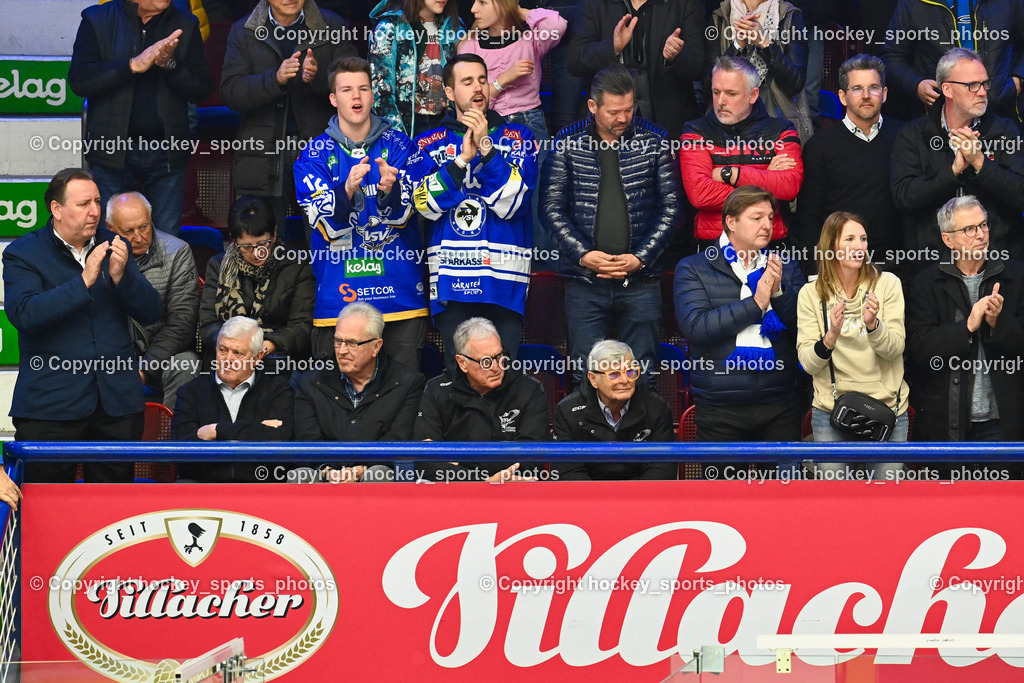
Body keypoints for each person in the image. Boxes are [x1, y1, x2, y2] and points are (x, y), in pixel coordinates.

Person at [3, 169, 163, 482]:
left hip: (116, 406)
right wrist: (85, 280)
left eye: (97, 202)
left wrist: (121, 277)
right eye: (83, 203)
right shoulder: (23, 253)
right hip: (51, 407)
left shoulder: (115, 244)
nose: (94, 211)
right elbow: (25, 314)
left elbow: (151, 311)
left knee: (112, 513)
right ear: (57, 209)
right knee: (45, 509)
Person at [541, 65, 681, 386]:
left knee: (643, 375)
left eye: (629, 109)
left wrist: (641, 257)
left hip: (641, 280)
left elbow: (673, 209)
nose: (623, 118)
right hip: (584, 281)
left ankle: (643, 436)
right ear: (593, 106)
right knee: (584, 374)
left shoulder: (656, 140)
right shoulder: (566, 142)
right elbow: (550, 210)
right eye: (614, 111)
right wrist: (583, 255)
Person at [294, 56, 428, 369]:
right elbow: (324, 222)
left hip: (401, 297)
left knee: (403, 395)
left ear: (372, 94)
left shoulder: (401, 146)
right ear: (333, 98)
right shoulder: (313, 154)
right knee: (341, 405)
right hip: (339, 302)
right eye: (347, 90)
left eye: (363, 89)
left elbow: (423, 205)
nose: (356, 96)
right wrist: (345, 192)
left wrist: (391, 190)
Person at [405, 53, 538, 365]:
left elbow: (513, 201)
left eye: (482, 80)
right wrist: (462, 160)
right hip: (453, 285)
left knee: (502, 382)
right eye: (467, 82)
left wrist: (487, 150)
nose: (478, 88)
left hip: (503, 285)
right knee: (459, 385)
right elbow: (424, 205)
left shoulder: (519, 137)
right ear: (450, 93)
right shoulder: (427, 143)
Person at [68, 0, 212, 236]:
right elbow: (79, 80)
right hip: (111, 151)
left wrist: (170, 64)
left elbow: (202, 89)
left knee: (167, 242)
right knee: (109, 239)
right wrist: (132, 65)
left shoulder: (185, 23)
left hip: (167, 151)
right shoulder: (96, 19)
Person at [674, 186, 805, 441]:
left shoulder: (785, 265)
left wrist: (778, 294)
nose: (766, 225)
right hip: (719, 406)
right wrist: (756, 304)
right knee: (724, 482)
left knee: (783, 482)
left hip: (780, 403)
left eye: (770, 217)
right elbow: (696, 327)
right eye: (756, 218)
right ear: (731, 222)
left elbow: (803, 327)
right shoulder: (694, 267)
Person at [220, 0, 358, 233]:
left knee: (328, 241)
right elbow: (231, 92)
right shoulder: (244, 30)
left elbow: (356, 88)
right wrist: (275, 79)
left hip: (321, 149)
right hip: (263, 153)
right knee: (266, 246)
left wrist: (318, 79)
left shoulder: (332, 25)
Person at [796, 212, 909, 476]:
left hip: (887, 409)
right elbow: (808, 364)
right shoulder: (811, 294)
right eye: (849, 239)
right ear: (831, 246)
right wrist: (831, 336)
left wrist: (873, 326)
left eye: (863, 239)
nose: (859, 246)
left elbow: (895, 348)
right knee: (835, 507)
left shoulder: (888, 284)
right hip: (831, 411)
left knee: (887, 503)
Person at [891, 48, 1024, 264]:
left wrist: (980, 164)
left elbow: (1021, 195)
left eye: (984, 83)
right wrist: (953, 171)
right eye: (972, 85)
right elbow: (904, 197)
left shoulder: (1005, 130)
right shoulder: (914, 135)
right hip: (934, 267)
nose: (982, 92)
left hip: (999, 262)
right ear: (947, 89)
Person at [457, 0, 566, 264]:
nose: (473, 9)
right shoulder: (468, 45)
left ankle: (544, 277)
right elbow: (466, 105)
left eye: (483, 2)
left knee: (540, 199)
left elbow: (557, 24)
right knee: (496, 201)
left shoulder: (529, 39)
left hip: (530, 125)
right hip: (489, 128)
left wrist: (512, 9)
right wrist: (502, 80)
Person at [908, 196, 1024, 442]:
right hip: (946, 422)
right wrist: (968, 326)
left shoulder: (1016, 276)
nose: (981, 235)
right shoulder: (927, 283)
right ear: (948, 239)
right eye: (969, 229)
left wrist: (997, 322)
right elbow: (919, 349)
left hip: (1004, 422)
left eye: (983, 225)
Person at [797, 54, 905, 274]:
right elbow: (808, 217)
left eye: (873, 88)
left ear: (884, 94)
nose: (866, 96)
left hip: (896, 266)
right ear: (842, 97)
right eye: (856, 89)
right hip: (839, 267)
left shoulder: (905, 137)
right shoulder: (820, 146)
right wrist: (815, 272)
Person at [293, 302, 426, 481]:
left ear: (376, 347)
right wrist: (327, 471)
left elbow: (397, 439)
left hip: (375, 473)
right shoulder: (309, 382)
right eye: (338, 341)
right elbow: (307, 439)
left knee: (379, 474)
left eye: (352, 343)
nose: (342, 351)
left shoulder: (408, 383)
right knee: (301, 476)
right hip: (326, 476)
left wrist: (360, 470)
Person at [680, 56, 803, 248]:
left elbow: (789, 187)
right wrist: (767, 177)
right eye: (715, 92)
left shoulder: (781, 130)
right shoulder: (695, 131)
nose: (720, 101)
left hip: (771, 243)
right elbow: (699, 194)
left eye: (731, 93)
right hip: (713, 246)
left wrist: (728, 174)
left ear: (753, 95)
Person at [413, 317, 548, 481]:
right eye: (486, 362)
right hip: (455, 494)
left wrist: (456, 461)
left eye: (500, 356)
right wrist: (484, 482)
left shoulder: (529, 390)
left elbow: (529, 462)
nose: (496, 367)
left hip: (512, 491)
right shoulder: (436, 389)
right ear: (462, 363)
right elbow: (426, 463)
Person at [106, 192, 200, 410]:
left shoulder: (177, 252)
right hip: (114, 355)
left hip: (163, 352)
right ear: (110, 228)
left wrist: (145, 369)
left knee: (185, 363)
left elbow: (182, 323)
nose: (139, 237)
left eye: (144, 227)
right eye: (128, 231)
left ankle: (176, 439)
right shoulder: (98, 253)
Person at [173, 316, 294, 481]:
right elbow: (182, 453)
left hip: (261, 487)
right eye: (222, 350)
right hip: (205, 486)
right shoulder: (191, 392)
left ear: (257, 358)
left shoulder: (277, 389)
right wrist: (255, 430)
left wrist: (216, 431)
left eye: (238, 353)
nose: (228, 359)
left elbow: (279, 440)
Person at [567, 0, 705, 140]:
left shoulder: (686, 4)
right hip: (607, 131)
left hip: (670, 128)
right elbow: (575, 62)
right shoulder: (593, 4)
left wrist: (676, 55)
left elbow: (698, 67)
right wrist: (613, 48)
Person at [200, 196, 315, 361]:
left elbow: (302, 325)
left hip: (278, 356)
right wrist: (233, 348)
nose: (256, 253)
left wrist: (263, 348)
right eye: (247, 246)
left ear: (274, 234)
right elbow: (208, 323)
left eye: (262, 244)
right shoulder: (218, 266)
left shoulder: (297, 264)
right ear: (233, 239)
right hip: (228, 358)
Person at [551, 340, 675, 480]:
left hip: (640, 497)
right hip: (589, 498)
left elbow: (662, 469)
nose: (624, 380)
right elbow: (568, 472)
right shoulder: (567, 411)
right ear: (593, 379)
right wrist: (601, 500)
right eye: (614, 374)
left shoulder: (657, 408)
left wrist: (629, 499)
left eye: (630, 372)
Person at [883, 0, 1024, 122]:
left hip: (1001, 113)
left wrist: (1019, 80)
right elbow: (892, 56)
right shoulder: (914, 3)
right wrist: (917, 84)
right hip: (940, 117)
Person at [705, 0, 813, 142]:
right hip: (726, 126)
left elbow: (794, 83)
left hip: (780, 119)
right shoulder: (719, 16)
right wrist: (738, 45)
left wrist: (765, 43)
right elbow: (708, 85)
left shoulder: (790, 16)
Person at [369, 0, 464, 138]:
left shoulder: (455, 25)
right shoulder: (389, 27)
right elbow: (380, 91)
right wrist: (399, 137)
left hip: (448, 120)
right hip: (409, 126)